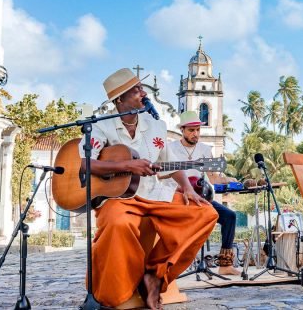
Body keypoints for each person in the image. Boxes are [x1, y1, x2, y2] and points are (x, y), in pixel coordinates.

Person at [82, 68, 218, 310]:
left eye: (141, 88)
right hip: (118, 198)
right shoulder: (101, 126)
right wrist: (127, 164)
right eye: (135, 90)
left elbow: (166, 162)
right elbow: (86, 163)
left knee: (205, 213)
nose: (142, 93)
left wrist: (186, 187)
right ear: (119, 100)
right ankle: (116, 293)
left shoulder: (156, 125)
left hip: (154, 193)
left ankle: (155, 274)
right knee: (117, 225)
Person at [170, 110, 242, 276]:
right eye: (191, 130)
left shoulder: (204, 149)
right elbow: (163, 177)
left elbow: (213, 178)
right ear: (182, 130)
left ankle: (225, 264)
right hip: (178, 199)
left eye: (198, 130)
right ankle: (171, 265)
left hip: (200, 199)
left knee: (229, 216)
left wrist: (229, 180)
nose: (195, 134)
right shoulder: (170, 148)